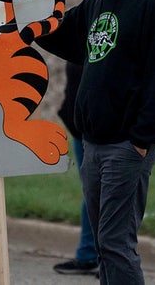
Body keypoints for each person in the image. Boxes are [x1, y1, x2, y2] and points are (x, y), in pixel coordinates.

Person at [36, 0, 155, 284]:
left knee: (116, 241)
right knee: (105, 242)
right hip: (93, 144)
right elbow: (63, 37)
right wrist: (24, 17)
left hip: (127, 145)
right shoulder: (96, 2)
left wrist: (142, 138)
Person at [53, 60, 99, 276]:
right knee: (91, 194)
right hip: (81, 130)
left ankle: (108, 259)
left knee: (108, 196)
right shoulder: (82, 34)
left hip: (104, 132)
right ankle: (88, 255)